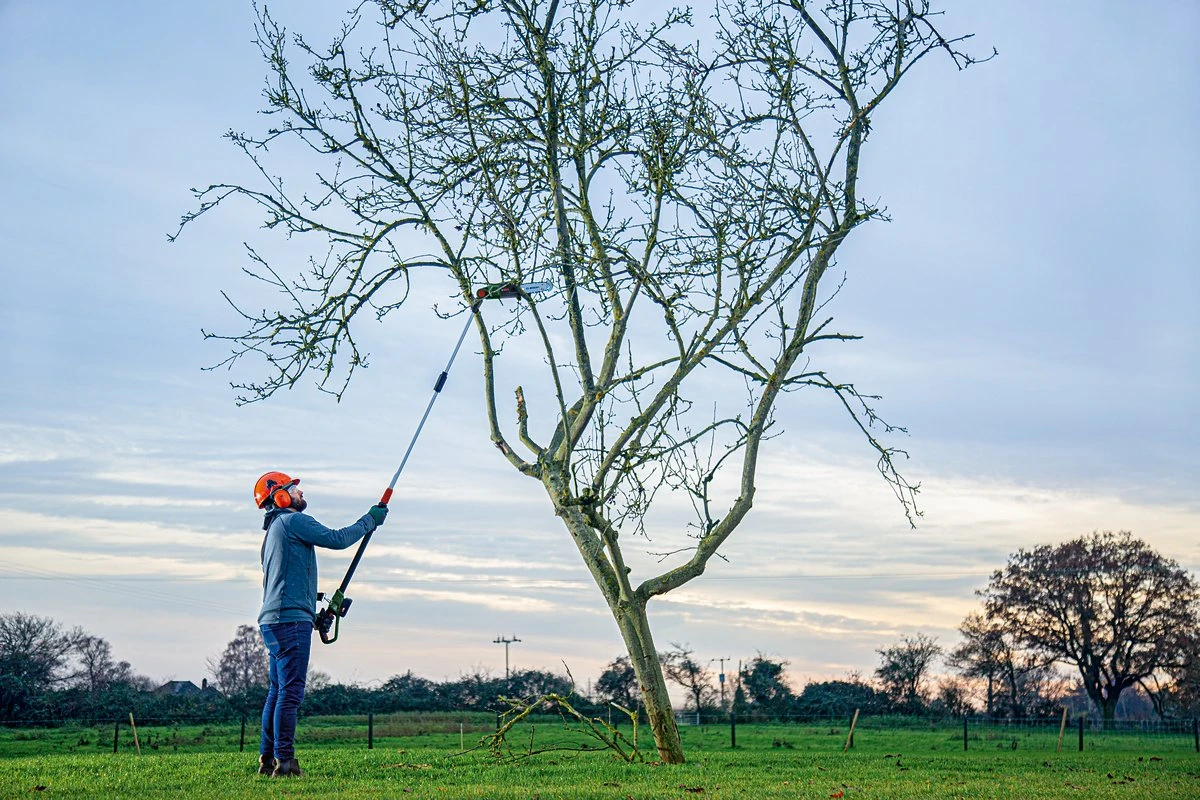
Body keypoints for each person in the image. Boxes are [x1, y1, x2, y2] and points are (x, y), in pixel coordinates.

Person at [252, 470, 388, 778]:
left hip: (273, 620)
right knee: (291, 692)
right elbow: (338, 539)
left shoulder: (272, 535)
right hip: (289, 622)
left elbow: (286, 581)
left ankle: (267, 759)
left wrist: (313, 614)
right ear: (281, 497)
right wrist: (370, 520)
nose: (300, 493)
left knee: (277, 691)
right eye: (294, 490)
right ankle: (285, 764)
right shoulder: (292, 521)